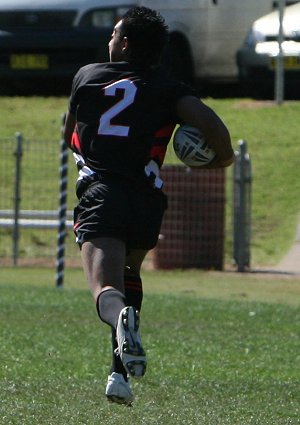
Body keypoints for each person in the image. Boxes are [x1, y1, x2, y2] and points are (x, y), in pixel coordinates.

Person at [63, 6, 234, 406]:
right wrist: (222, 159)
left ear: (124, 43)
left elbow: (68, 131)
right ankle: (118, 376)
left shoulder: (87, 76)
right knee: (128, 276)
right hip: (146, 199)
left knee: (105, 290)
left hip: (102, 194)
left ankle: (121, 334)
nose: (109, 40)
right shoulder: (169, 88)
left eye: (113, 34)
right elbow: (209, 122)